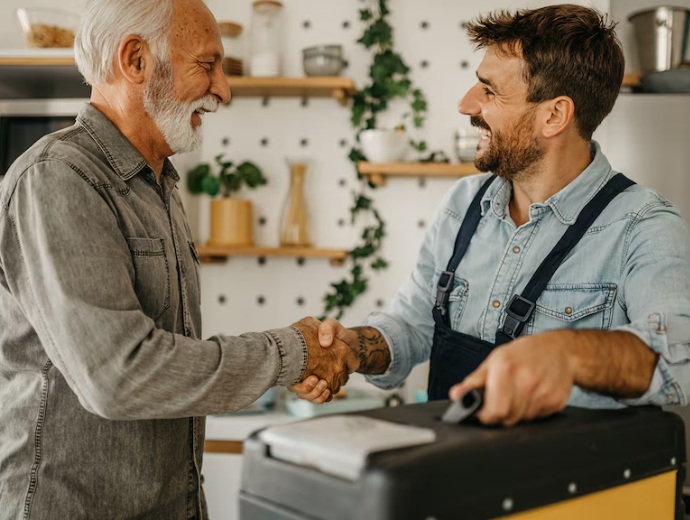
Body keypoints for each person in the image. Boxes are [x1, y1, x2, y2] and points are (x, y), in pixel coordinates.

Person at [0, 0, 357, 518]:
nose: (223, 89)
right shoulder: (58, 178)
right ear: (136, 60)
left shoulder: (158, 185)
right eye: (207, 65)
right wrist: (291, 354)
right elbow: (120, 376)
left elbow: (167, 363)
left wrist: (282, 365)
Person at [291, 4, 690, 427]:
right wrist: (352, 348)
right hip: (459, 478)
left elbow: (680, 357)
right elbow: (413, 324)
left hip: (571, 487)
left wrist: (566, 353)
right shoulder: (464, 203)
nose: (466, 104)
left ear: (554, 115)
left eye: (490, 90)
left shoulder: (643, 225)